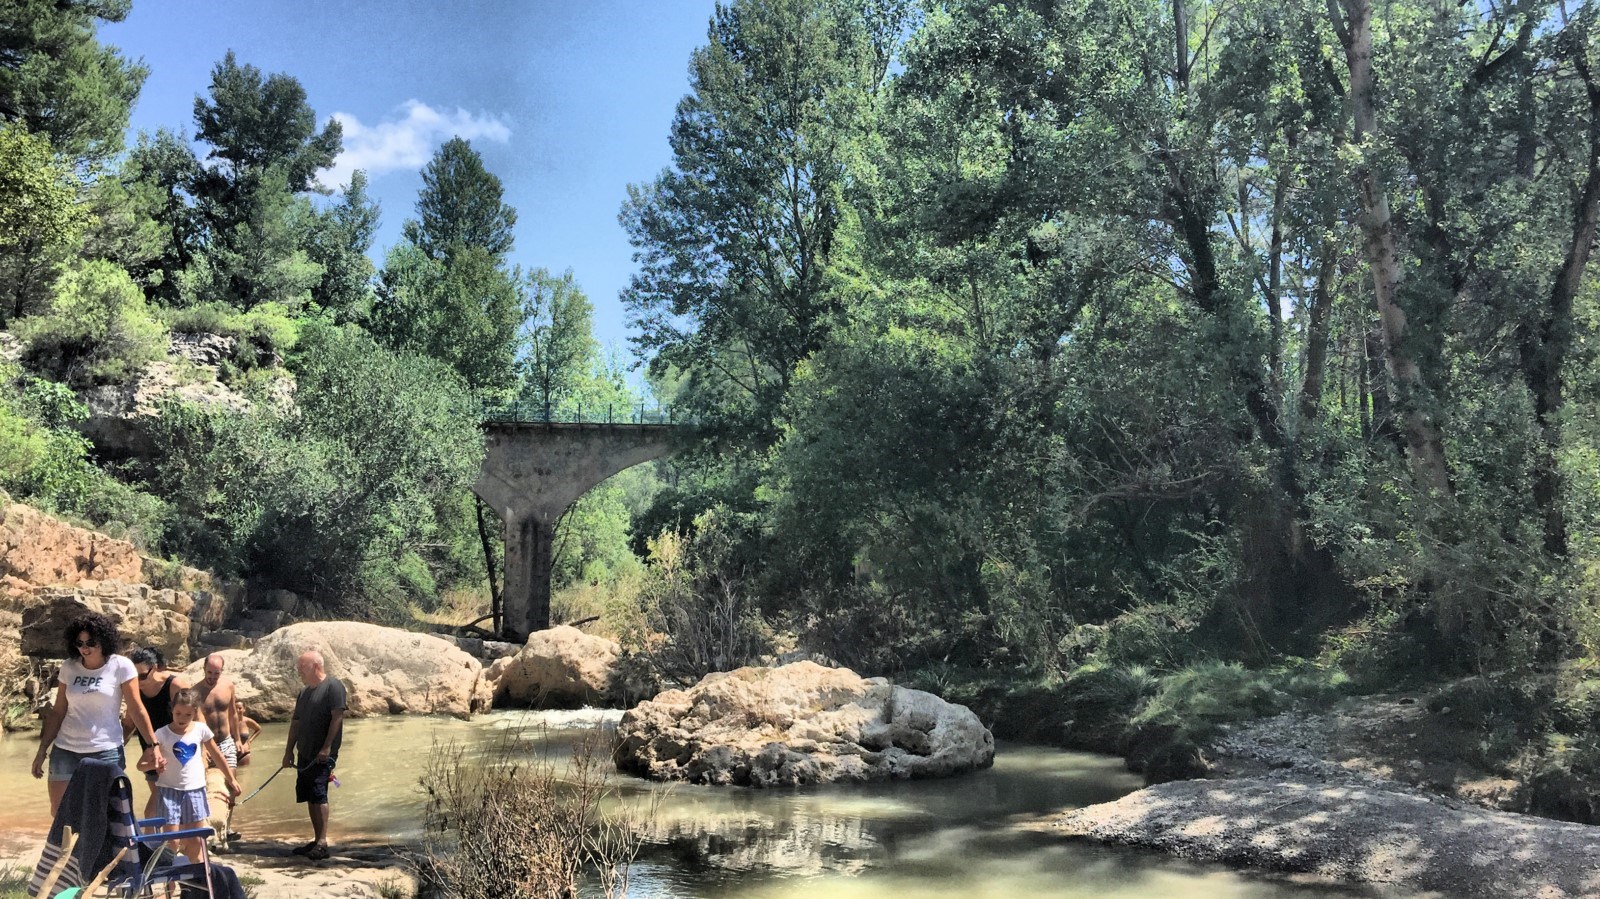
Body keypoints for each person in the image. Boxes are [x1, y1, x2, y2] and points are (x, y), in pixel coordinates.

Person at [31, 613, 165, 817]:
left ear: (104, 640)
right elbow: (58, 712)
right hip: (66, 749)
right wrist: (42, 750)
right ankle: (70, 841)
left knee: (102, 814)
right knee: (60, 813)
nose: (85, 648)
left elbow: (136, 709)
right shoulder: (69, 667)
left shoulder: (121, 666)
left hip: (105, 750)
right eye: (79, 643)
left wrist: (153, 745)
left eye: (91, 643)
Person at [138, 688, 241, 864]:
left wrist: (231, 779)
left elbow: (216, 755)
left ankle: (197, 874)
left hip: (195, 791)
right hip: (169, 792)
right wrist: (154, 765)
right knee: (172, 841)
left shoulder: (201, 729)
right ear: (172, 709)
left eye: (188, 715)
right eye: (178, 713)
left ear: (195, 713)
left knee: (196, 841)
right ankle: (169, 877)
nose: (182, 718)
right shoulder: (161, 734)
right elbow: (141, 765)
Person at [282, 651, 345, 862]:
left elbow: (337, 718)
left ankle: (323, 843)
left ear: (316, 666)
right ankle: (316, 839)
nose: (299, 670)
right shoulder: (304, 693)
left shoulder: (333, 687)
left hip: (323, 754)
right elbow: (296, 723)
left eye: (302, 666)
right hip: (305, 753)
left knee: (319, 794)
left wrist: (327, 747)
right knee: (309, 795)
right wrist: (288, 751)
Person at [124, 647, 186, 820]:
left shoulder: (175, 685)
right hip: (151, 753)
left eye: (143, 676)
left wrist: (203, 753)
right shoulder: (134, 690)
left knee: (159, 806)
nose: (138, 681)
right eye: (134, 676)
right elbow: (129, 724)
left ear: (156, 667)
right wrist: (117, 747)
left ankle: (174, 834)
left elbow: (196, 718)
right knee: (161, 802)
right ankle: (165, 835)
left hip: (177, 751)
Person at [194, 653, 242, 770]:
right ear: (204, 669)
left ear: (222, 671)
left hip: (227, 742)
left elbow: (233, 713)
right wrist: (204, 748)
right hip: (208, 745)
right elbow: (196, 724)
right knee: (209, 780)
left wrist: (237, 739)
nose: (212, 676)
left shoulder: (228, 686)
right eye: (209, 672)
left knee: (231, 779)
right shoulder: (195, 692)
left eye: (216, 673)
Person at [232, 699, 262, 766]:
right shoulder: (228, 721)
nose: (237, 710)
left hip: (244, 754)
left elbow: (259, 729)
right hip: (230, 755)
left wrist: (250, 740)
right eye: (235, 708)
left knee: (244, 772)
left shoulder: (247, 721)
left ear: (244, 709)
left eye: (240, 708)